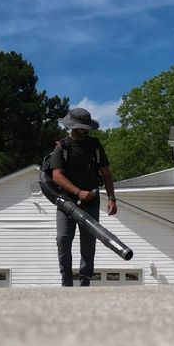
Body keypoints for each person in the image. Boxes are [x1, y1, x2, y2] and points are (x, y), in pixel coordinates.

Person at [47, 106, 116, 287]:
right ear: (73, 127)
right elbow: (57, 176)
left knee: (88, 245)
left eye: (87, 127)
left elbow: (106, 173)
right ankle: (67, 282)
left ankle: (85, 283)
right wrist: (78, 192)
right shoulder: (62, 147)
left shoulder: (95, 146)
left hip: (91, 203)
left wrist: (111, 198)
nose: (86, 131)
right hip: (66, 203)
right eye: (82, 127)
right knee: (63, 240)